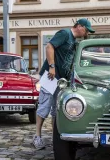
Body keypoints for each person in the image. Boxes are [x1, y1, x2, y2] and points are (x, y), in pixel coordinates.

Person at [32, 18, 95, 150]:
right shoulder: (65, 34)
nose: (86, 33)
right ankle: (37, 136)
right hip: (51, 77)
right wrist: (52, 66)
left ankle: (56, 138)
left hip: (62, 81)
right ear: (79, 26)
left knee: (57, 109)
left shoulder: (75, 41)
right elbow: (49, 46)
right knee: (44, 106)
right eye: (86, 30)